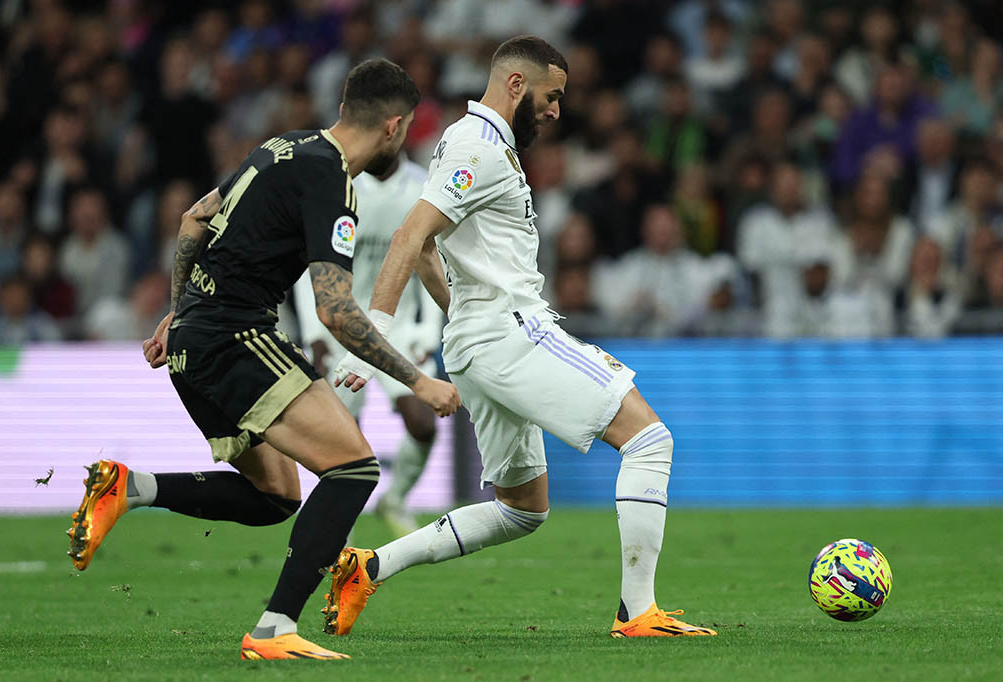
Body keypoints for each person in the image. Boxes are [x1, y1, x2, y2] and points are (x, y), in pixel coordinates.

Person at [64, 58, 460, 662]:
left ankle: (130, 487)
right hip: (236, 339)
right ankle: (275, 627)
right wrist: (418, 380)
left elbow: (194, 216)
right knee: (353, 467)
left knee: (275, 497)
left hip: (196, 345)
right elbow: (335, 310)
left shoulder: (283, 146)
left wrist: (180, 313)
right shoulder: (333, 180)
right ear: (395, 126)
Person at [323, 36, 717, 639]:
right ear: (515, 85)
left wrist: (463, 318)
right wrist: (376, 326)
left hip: (482, 339)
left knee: (520, 509)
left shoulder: (469, 143)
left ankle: (370, 566)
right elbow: (409, 235)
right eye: (551, 95)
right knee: (649, 441)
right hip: (509, 333)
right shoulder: (479, 148)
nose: (557, 110)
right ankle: (638, 613)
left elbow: (430, 245)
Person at [292, 152, 442, 536]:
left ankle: (394, 499)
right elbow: (309, 265)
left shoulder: (422, 185)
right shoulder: (341, 188)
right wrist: (315, 336)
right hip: (343, 328)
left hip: (400, 328)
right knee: (344, 434)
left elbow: (433, 255)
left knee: (424, 423)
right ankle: (344, 521)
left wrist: (430, 328)